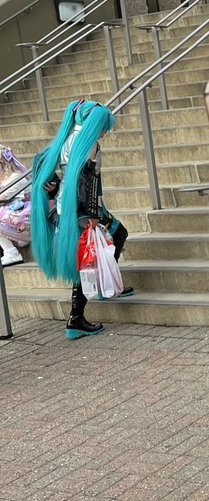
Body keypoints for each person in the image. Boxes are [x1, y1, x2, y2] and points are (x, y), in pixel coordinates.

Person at [31, 99, 132, 339]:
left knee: (111, 239)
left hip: (69, 209)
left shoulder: (66, 140)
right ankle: (76, 317)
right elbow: (85, 180)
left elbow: (42, 163)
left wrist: (51, 183)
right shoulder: (88, 143)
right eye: (102, 125)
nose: (105, 131)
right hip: (83, 209)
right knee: (91, 257)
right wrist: (89, 215)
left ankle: (107, 284)